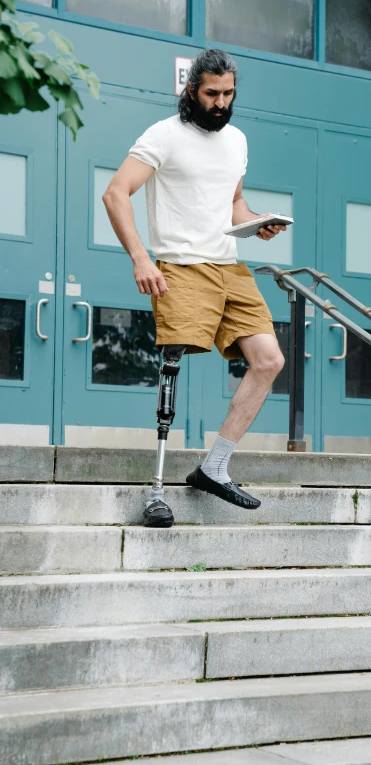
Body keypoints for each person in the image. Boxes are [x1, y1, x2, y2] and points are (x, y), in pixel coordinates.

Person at [103, 48, 287, 526]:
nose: (221, 102)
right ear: (191, 90)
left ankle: (214, 467)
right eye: (212, 93)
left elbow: (235, 203)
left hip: (229, 265)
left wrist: (256, 223)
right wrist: (141, 258)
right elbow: (116, 192)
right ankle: (156, 491)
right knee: (173, 364)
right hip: (181, 266)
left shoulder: (237, 140)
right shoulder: (164, 135)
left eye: (228, 93)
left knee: (269, 360)